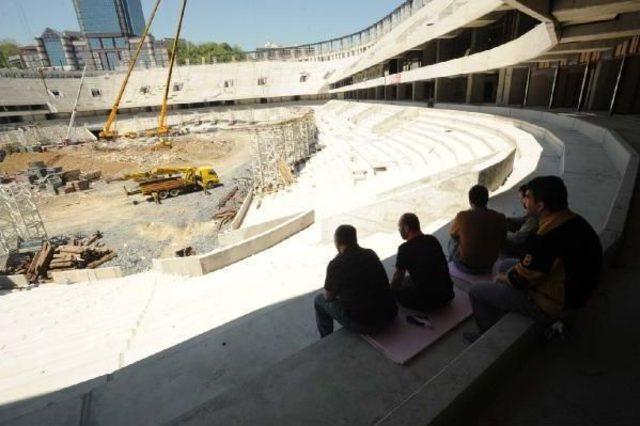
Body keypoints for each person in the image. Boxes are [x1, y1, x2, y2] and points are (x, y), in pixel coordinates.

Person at [465, 176, 603, 343]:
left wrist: (501, 278)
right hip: (578, 291)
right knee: (504, 264)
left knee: (477, 291)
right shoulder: (575, 221)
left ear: (540, 205)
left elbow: (520, 281)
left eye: (528, 197)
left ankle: (489, 338)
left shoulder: (545, 237)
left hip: (556, 305)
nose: (524, 201)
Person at [314, 225, 398, 338]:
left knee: (319, 300)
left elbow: (329, 297)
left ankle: (325, 337)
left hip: (365, 324)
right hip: (390, 314)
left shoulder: (335, 264)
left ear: (337, 243)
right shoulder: (370, 254)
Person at [390, 213, 454, 312]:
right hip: (448, 294)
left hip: (429, 302)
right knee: (410, 280)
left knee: (399, 289)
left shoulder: (404, 249)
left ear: (406, 228)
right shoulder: (432, 240)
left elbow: (398, 278)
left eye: (400, 227)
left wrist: (391, 290)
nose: (399, 230)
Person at [449, 185, 507, 274]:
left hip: (466, 266)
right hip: (489, 265)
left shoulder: (462, 216)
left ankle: (450, 266)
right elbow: (503, 241)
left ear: (470, 202)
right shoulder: (499, 217)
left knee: (452, 240)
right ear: (487, 199)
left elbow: (452, 234)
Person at [502, 184, 538, 258]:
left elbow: (518, 237)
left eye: (522, 198)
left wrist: (502, 232)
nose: (521, 201)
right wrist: (507, 219)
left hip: (524, 250)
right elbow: (524, 219)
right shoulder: (533, 214)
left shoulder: (534, 218)